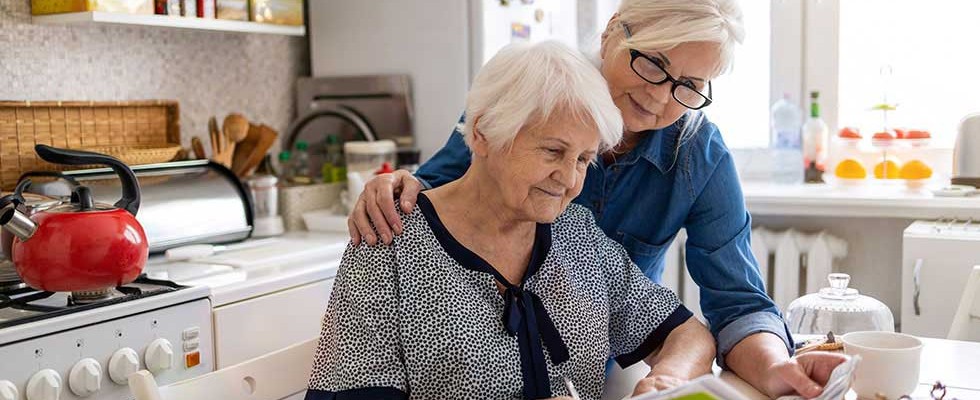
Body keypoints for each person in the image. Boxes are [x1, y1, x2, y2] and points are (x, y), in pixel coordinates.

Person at [347, 0, 847, 398]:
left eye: (689, 86)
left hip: (601, 365)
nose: (661, 97)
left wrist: (777, 368)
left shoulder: (698, 155)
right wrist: (395, 183)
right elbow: (435, 196)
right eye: (654, 63)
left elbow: (736, 302)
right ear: (613, 33)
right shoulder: (531, 97)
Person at [307, 41, 715, 400]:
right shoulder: (390, 243)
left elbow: (687, 335)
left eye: (584, 160)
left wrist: (665, 381)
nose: (570, 179)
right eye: (554, 152)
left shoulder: (577, 235)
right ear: (483, 132)